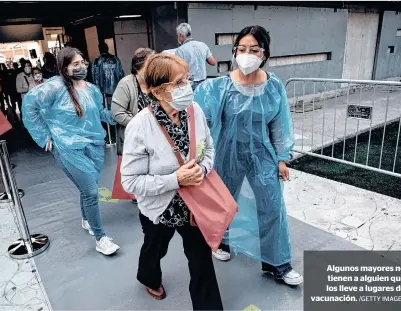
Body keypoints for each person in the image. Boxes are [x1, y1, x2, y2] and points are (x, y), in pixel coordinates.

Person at [193, 25, 303, 286]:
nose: (246, 54)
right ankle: (221, 241)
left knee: (272, 206)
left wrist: (282, 157)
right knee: (224, 202)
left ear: (264, 53)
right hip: (226, 154)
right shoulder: (218, 87)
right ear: (234, 52)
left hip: (262, 155)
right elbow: (199, 121)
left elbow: (280, 125)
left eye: (253, 49)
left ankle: (277, 262)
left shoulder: (274, 87)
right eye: (241, 49)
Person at [121, 53, 223, 310]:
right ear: (157, 91)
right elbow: (130, 182)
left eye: (187, 80)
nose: (187, 87)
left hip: (194, 204)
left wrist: (202, 168)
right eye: (178, 83)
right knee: (155, 248)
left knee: (201, 261)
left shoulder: (194, 110)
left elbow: (209, 147)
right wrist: (175, 179)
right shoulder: (140, 126)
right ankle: (148, 276)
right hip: (159, 207)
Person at [22, 47, 120, 255]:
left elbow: (98, 112)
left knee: (88, 187)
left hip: (93, 145)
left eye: (82, 62)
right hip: (67, 147)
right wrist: (43, 135)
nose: (81, 67)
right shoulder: (54, 88)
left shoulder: (92, 89)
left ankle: (86, 219)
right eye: (75, 64)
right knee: (91, 192)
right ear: (64, 67)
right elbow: (29, 104)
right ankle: (101, 238)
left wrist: (118, 116)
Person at [111, 47, 155, 204]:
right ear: (138, 67)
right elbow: (117, 113)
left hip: (154, 134)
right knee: (137, 166)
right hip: (134, 136)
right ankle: (138, 195)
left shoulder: (153, 82)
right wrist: (139, 123)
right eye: (150, 64)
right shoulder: (126, 84)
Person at [91, 42, 125, 143]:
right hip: (115, 90)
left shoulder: (97, 61)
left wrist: (97, 90)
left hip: (103, 91)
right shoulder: (115, 59)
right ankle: (115, 135)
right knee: (115, 111)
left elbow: (95, 76)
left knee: (104, 113)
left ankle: (108, 136)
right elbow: (121, 73)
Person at [175, 23, 216, 91]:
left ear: (180, 35)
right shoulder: (202, 45)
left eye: (177, 36)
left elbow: (178, 71)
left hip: (189, 85)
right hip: (203, 83)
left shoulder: (180, 50)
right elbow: (213, 62)